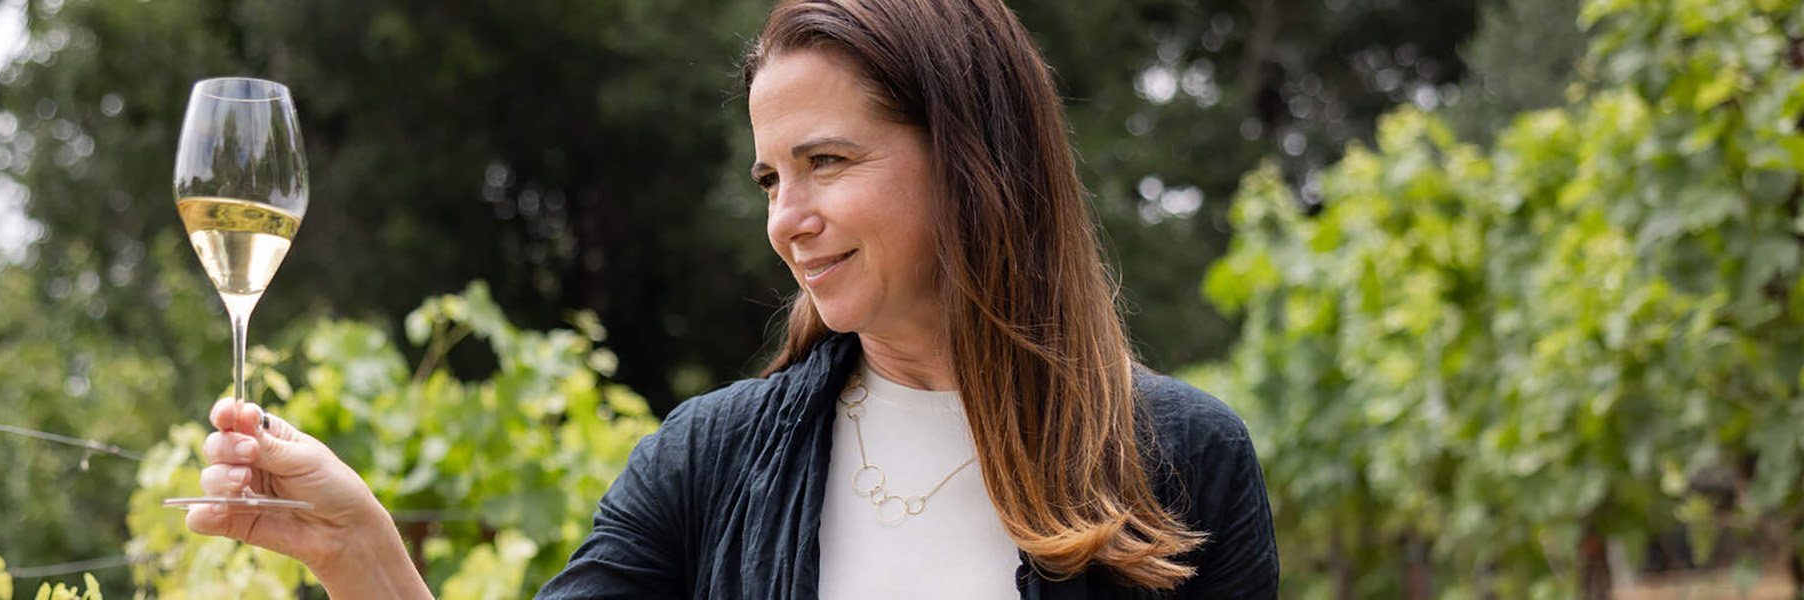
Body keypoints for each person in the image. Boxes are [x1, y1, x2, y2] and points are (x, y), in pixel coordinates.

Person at [185, 0, 1279, 596]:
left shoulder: (1179, 460)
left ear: (972, 160)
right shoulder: (708, 461)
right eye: (770, 177)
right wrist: (365, 554)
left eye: (829, 162)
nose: (785, 217)